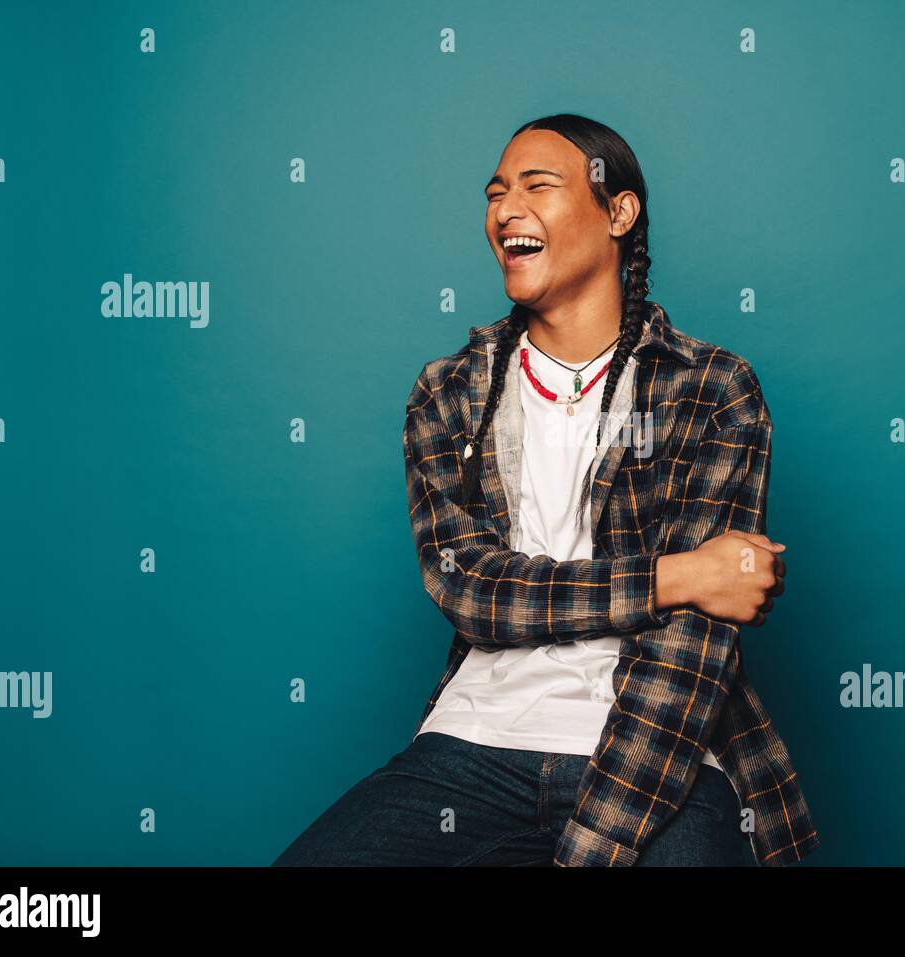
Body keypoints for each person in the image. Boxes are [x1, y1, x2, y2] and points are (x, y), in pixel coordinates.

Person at [273, 113, 819, 867]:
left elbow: (689, 650)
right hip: (474, 744)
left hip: (663, 745)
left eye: (538, 186)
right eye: (496, 192)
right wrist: (676, 575)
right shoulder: (450, 391)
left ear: (618, 213)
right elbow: (475, 592)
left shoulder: (712, 390)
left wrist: (591, 849)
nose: (505, 209)